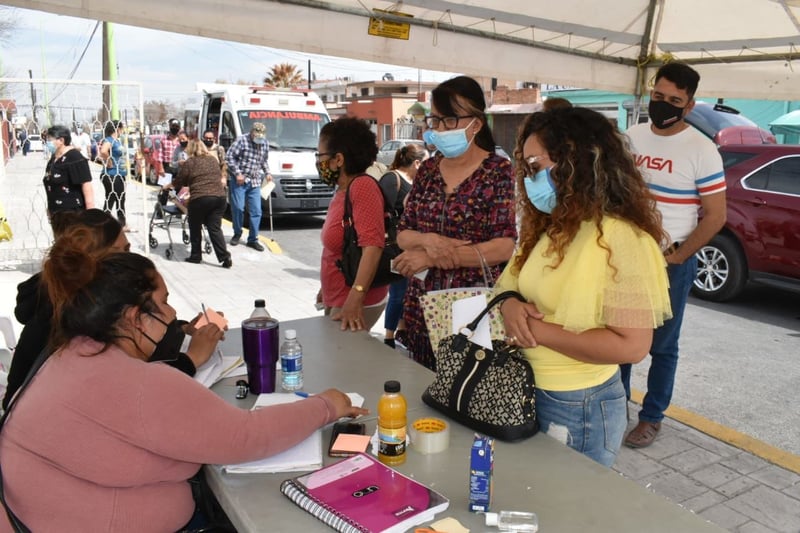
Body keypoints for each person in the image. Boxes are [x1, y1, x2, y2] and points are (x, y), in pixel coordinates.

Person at [0, 248, 367, 531]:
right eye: (162, 303)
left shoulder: (69, 352)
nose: (173, 313)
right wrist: (327, 405)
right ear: (133, 317)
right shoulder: (132, 382)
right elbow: (245, 437)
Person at [496, 107, 673, 467]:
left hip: (579, 404)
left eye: (536, 166)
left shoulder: (622, 239)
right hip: (526, 386)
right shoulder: (552, 225)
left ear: (575, 161)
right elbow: (507, 287)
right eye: (525, 169)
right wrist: (510, 305)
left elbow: (633, 345)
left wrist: (535, 330)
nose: (528, 178)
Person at [2, 209, 220, 410]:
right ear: (95, 261)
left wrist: (181, 329)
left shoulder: (82, 299)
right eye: (122, 252)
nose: (131, 259)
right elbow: (129, 390)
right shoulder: (75, 319)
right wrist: (192, 359)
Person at [621, 62, 727, 449]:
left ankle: (651, 417)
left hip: (670, 263)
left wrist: (679, 256)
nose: (664, 106)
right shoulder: (630, 137)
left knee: (663, 345)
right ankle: (617, 406)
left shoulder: (702, 150)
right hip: (626, 258)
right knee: (620, 339)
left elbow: (716, 216)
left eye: (675, 101)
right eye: (658, 97)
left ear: (690, 104)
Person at [393, 75, 517, 370]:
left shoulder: (498, 170)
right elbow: (403, 234)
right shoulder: (427, 170)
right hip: (422, 306)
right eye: (435, 120)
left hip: (473, 310)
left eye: (449, 119)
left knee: (466, 392)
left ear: (476, 122)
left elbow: (502, 247)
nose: (439, 129)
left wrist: (429, 258)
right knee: (421, 391)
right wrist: (428, 241)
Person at [316, 116, 389, 332]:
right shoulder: (343, 190)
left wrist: (355, 298)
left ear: (338, 159)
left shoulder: (362, 188)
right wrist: (326, 287)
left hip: (355, 302)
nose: (318, 161)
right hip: (339, 296)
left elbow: (373, 246)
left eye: (320, 155)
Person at [378, 143, 429, 349]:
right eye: (425, 162)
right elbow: (380, 211)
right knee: (398, 292)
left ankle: (402, 331)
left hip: (408, 245)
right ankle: (389, 336)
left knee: (407, 292)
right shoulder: (392, 178)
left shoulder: (413, 180)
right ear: (417, 163)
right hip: (393, 245)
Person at [172, 139, 232, 268]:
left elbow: (180, 180)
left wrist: (168, 186)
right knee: (214, 228)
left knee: (195, 226)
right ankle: (224, 257)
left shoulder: (190, 162)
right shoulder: (212, 160)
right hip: (219, 198)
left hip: (200, 198)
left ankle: (196, 255)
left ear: (190, 149)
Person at [225, 122, 272, 251]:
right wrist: (238, 173)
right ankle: (237, 233)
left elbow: (263, 160)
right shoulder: (242, 140)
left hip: (255, 181)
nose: (259, 139)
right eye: (256, 136)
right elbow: (229, 157)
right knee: (238, 208)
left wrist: (267, 172)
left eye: (261, 137)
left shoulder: (265, 143)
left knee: (256, 211)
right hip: (240, 180)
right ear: (251, 133)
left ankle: (253, 239)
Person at [42, 124, 95, 223]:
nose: (47, 142)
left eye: (50, 139)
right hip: (56, 213)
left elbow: (86, 185)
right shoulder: (54, 158)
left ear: (61, 140)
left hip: (73, 214)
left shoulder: (75, 158)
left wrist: (90, 215)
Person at [98, 120, 128, 229]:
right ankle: (119, 224)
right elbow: (103, 151)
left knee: (115, 198)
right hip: (112, 175)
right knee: (116, 198)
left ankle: (106, 223)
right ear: (117, 128)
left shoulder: (117, 141)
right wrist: (109, 161)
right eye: (122, 128)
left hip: (119, 174)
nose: (122, 130)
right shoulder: (109, 140)